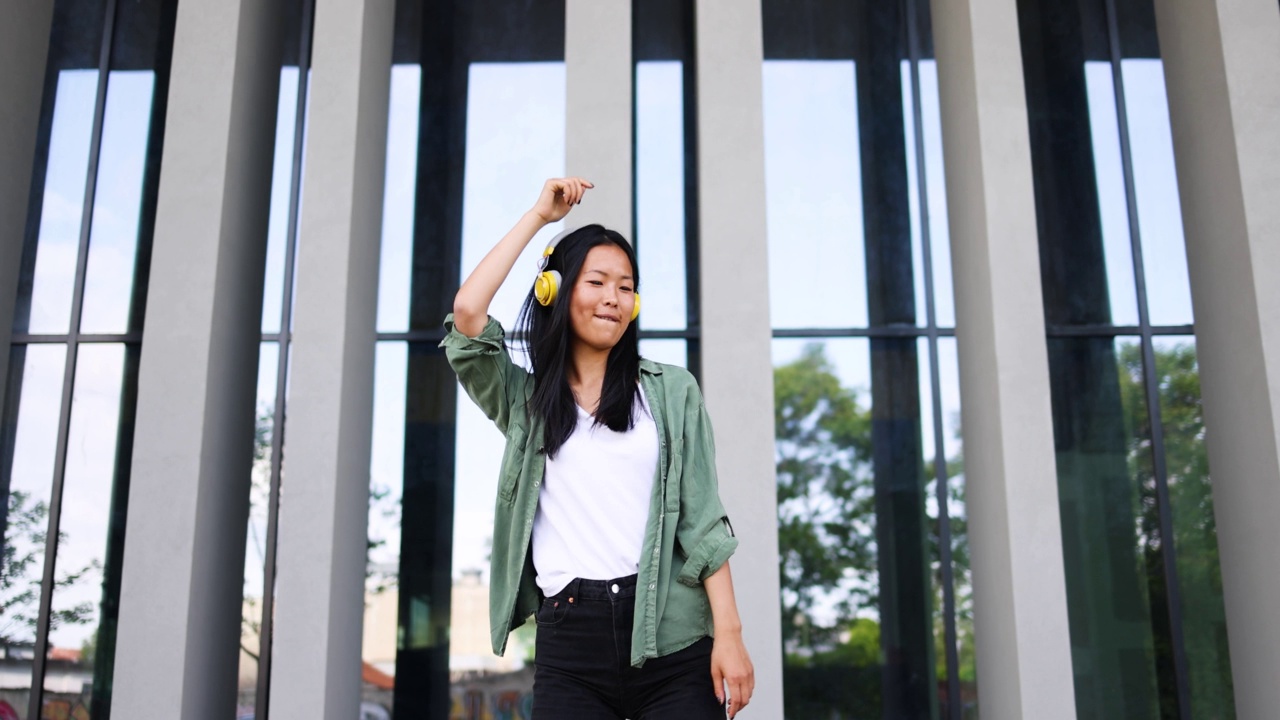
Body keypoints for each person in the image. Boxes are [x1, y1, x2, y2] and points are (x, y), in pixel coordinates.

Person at [442, 178, 755, 718]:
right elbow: (469, 313)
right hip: (570, 641)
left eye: (626, 286)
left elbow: (704, 522)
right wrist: (540, 216)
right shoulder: (524, 400)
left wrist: (730, 635)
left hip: (672, 635)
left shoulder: (671, 391)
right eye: (597, 282)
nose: (614, 297)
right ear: (554, 290)